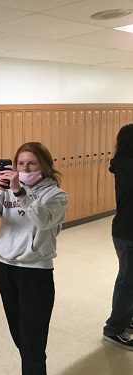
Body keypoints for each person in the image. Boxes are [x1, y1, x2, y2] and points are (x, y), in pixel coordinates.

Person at [0, 142, 68, 375]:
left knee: (33, 340)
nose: (25, 168)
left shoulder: (55, 195)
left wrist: (20, 192)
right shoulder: (6, 191)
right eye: (21, 163)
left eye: (32, 163)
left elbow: (44, 220)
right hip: (5, 267)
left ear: (43, 165)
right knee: (18, 334)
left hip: (35, 269)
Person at [103, 123, 133, 350]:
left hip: (125, 230)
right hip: (128, 231)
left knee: (129, 279)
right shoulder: (127, 165)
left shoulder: (124, 163)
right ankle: (114, 329)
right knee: (127, 282)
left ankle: (127, 318)